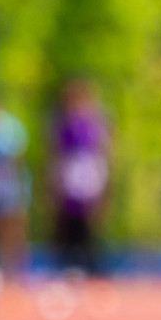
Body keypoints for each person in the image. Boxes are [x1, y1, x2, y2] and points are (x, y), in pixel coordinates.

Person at [50, 79, 112, 275]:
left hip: (90, 168)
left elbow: (104, 148)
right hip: (70, 169)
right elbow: (56, 152)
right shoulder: (63, 122)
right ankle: (67, 262)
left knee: (91, 217)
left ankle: (93, 263)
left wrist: (104, 174)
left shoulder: (97, 121)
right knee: (67, 217)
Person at [0, 91, 31, 279]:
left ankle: (14, 270)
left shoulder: (6, 126)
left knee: (10, 225)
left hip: (7, 185)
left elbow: (17, 154)